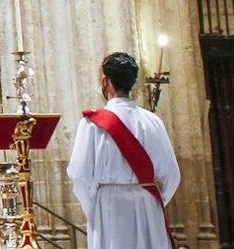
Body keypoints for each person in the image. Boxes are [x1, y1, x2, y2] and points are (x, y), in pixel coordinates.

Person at [66, 52, 181, 248]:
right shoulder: (153, 121)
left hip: (109, 208)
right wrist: (152, 201)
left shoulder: (92, 124)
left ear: (107, 82)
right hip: (147, 206)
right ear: (133, 82)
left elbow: (79, 174)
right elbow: (172, 175)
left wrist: (93, 207)